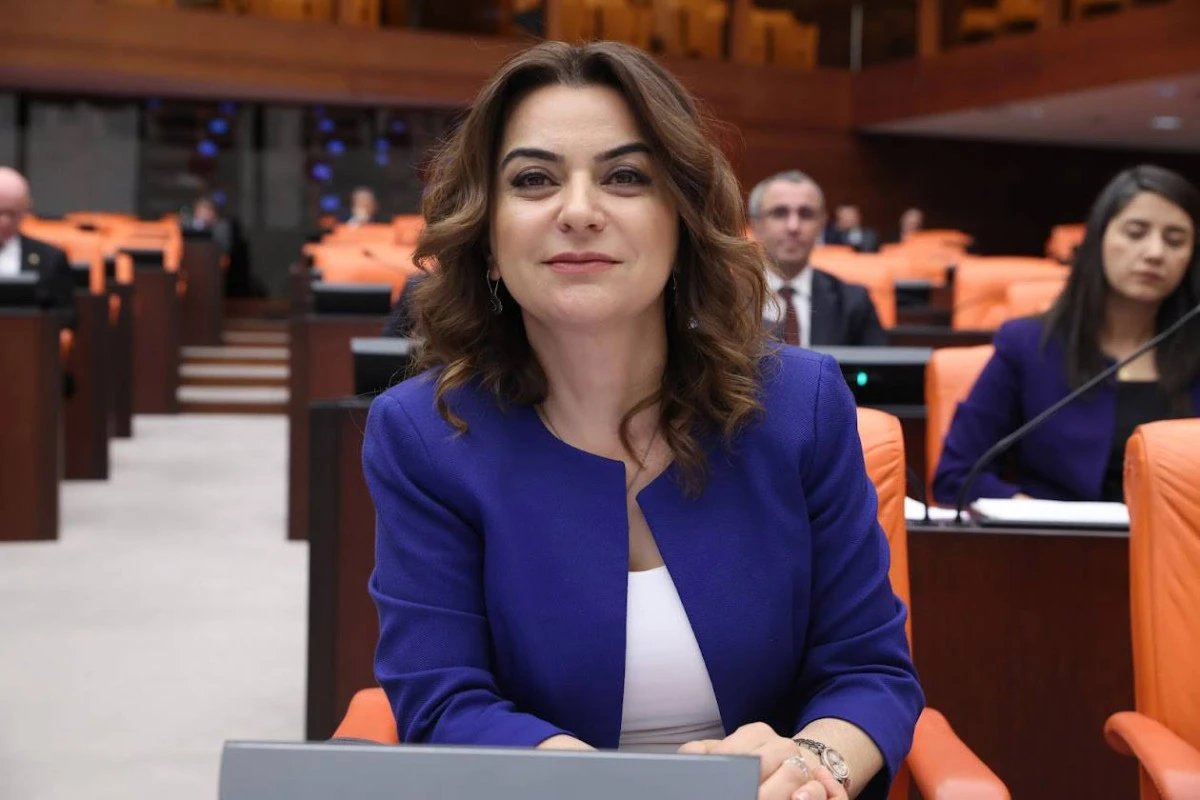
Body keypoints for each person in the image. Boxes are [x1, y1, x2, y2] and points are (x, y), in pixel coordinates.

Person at [362, 41, 922, 800]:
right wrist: (602, 785)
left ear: (682, 220)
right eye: (533, 180)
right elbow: (441, 696)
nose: (579, 212)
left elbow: (870, 672)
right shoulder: (423, 435)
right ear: (488, 237)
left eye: (625, 176)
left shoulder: (802, 404)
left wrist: (810, 766)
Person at [934, 165, 1200, 505]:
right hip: (1055, 537)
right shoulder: (1027, 345)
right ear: (1097, 239)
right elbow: (956, 477)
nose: (1155, 253)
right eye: (1135, 233)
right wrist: (1032, 512)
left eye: (1175, 240)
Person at [748, 173, 887, 347]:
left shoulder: (853, 302)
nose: (793, 226)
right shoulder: (728, 300)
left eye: (806, 214)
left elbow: (879, 362)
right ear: (755, 224)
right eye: (780, 213)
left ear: (822, 224)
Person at [0, 167, 75, 328]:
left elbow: (67, 317)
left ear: (25, 211)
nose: (4, 222)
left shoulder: (51, 259)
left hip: (28, 338)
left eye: (12, 214)